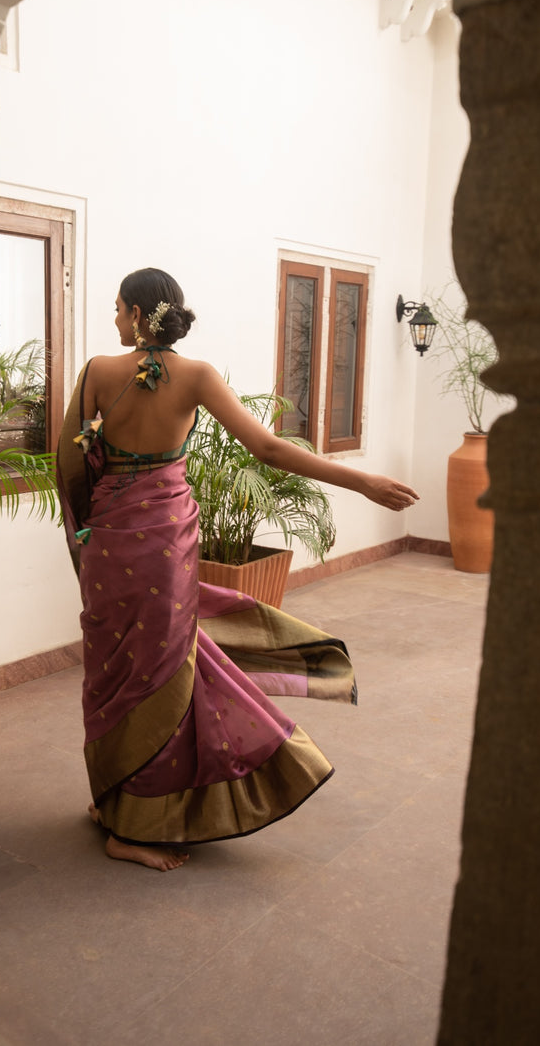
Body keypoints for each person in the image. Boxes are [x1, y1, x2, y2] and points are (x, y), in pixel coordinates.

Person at [57, 267, 418, 871]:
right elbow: (270, 450)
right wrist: (363, 482)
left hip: (110, 548)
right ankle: (130, 826)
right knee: (159, 678)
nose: (115, 319)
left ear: (142, 315)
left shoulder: (97, 372)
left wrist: (84, 545)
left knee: (113, 674)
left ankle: (113, 804)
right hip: (163, 545)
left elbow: (69, 467)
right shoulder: (196, 376)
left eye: (120, 308)